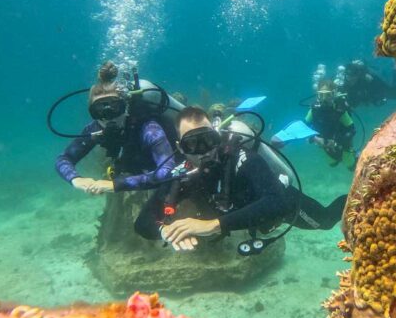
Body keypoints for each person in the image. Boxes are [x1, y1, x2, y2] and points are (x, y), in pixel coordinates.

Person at [156, 107, 347, 251]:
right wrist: (164, 231)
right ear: (180, 147)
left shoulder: (241, 157)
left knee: (326, 220)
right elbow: (144, 221)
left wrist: (213, 225)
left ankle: (356, 197)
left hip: (283, 204)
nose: (203, 150)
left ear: (217, 136)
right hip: (251, 218)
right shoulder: (182, 174)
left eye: (208, 139)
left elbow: (277, 201)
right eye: (192, 144)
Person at [54, 61, 176, 237]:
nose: (108, 116)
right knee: (145, 229)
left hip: (179, 167)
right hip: (142, 170)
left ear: (126, 107)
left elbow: (167, 172)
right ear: (92, 113)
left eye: (114, 107)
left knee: (146, 227)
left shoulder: (148, 128)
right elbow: (63, 159)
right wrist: (76, 179)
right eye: (99, 111)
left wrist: (114, 185)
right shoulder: (95, 129)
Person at [305, 80, 357, 170]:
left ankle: (355, 156)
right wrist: (315, 139)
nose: (324, 99)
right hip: (325, 145)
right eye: (321, 95)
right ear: (317, 95)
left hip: (342, 144)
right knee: (332, 163)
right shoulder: (314, 110)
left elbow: (352, 130)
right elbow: (303, 128)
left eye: (328, 95)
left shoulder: (339, 110)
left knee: (351, 166)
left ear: (334, 94)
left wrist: (336, 141)